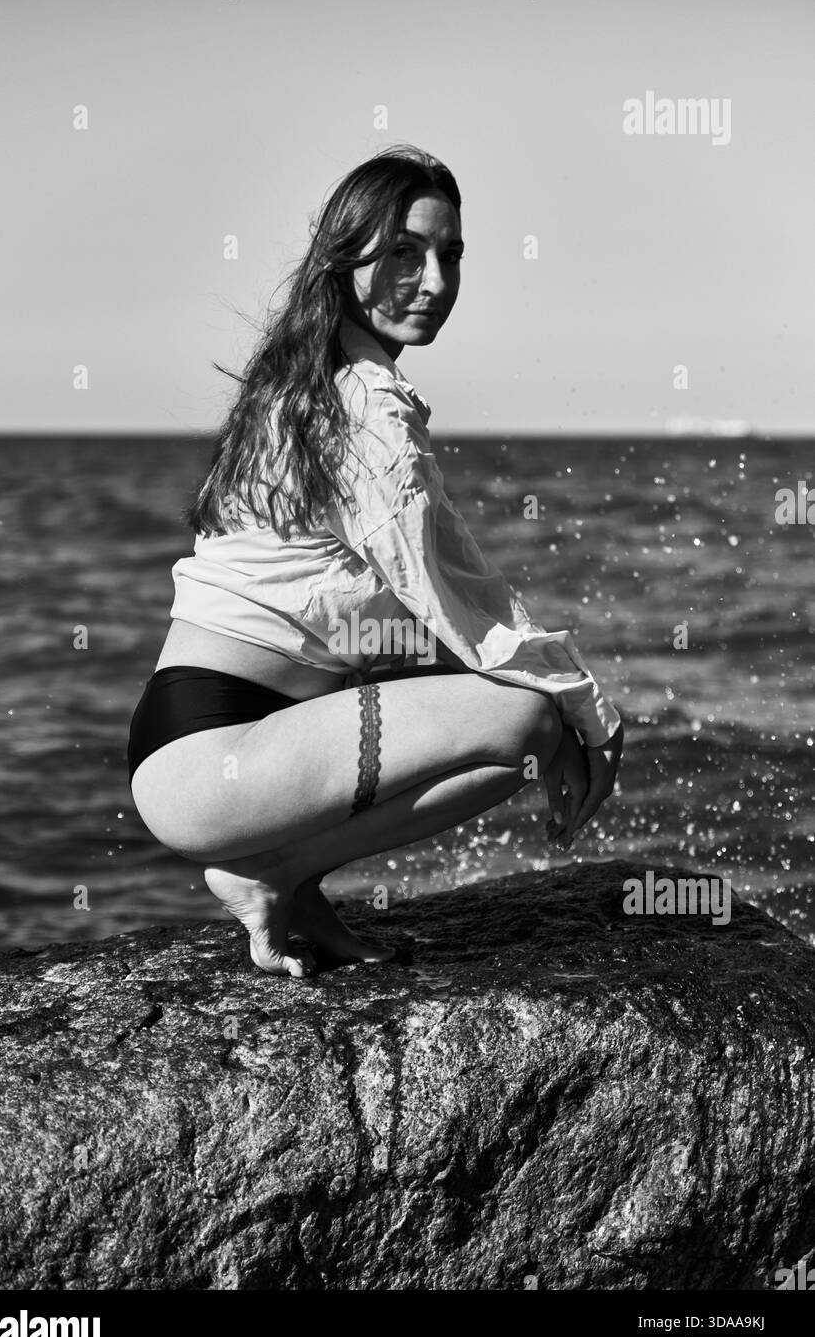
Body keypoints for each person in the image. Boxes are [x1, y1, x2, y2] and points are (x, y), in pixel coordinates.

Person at [127, 145, 624, 979]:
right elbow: (455, 604)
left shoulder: (317, 380)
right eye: (404, 252)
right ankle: (272, 871)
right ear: (345, 256)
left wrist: (554, 678)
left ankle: (295, 880)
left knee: (498, 692)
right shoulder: (364, 409)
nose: (434, 280)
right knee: (527, 724)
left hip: (212, 746)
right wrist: (586, 709)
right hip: (213, 756)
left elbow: (442, 593)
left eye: (450, 254)